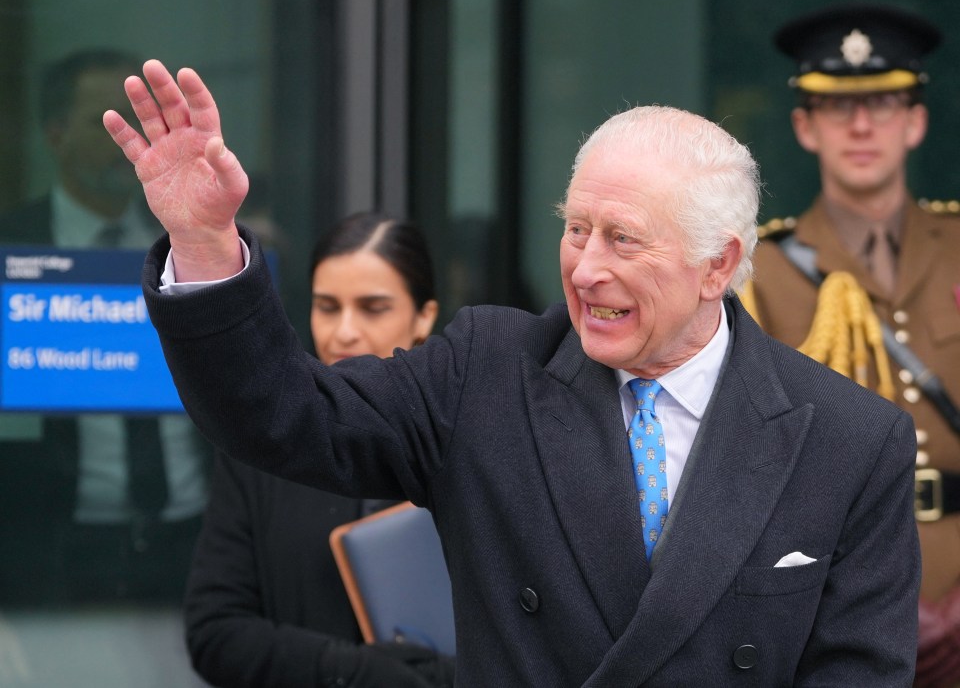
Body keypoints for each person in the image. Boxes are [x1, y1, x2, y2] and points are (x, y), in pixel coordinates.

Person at [105, 60, 920, 685]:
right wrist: (207, 244)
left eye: (623, 239)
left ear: (719, 264)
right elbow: (282, 414)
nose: (586, 268)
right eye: (577, 229)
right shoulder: (488, 370)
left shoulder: (851, 438)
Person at [743, 5, 960, 686]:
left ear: (916, 121)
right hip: (836, 597)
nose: (862, 126)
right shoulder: (759, 272)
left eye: (883, 103)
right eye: (839, 108)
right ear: (805, 126)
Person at [184, 212, 454, 687]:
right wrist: (353, 672)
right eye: (328, 306)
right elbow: (215, 632)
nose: (344, 331)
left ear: (424, 317)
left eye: (373, 308)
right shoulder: (262, 447)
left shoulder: (476, 443)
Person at [0, 49, 211, 604]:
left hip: (195, 536)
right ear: (55, 134)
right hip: (50, 546)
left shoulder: (191, 239)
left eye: (141, 120)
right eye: (111, 121)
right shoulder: (13, 247)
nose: (131, 141)